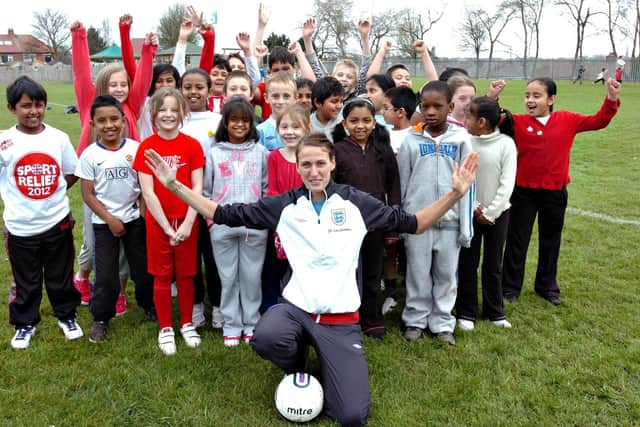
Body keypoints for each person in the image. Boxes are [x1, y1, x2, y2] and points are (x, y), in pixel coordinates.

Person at [143, 133, 478, 427]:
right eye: (306, 165)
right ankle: (296, 361)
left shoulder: (356, 203)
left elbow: (415, 223)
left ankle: (329, 360)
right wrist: (174, 185)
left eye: (320, 163)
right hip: (296, 310)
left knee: (351, 416)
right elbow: (224, 213)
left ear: (332, 163)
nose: (313, 171)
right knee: (265, 337)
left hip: (340, 319)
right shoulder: (285, 205)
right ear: (298, 167)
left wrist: (455, 194)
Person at [492, 77, 621, 305]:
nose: (530, 100)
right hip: (523, 192)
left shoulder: (567, 120)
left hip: (554, 192)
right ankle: (510, 288)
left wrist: (611, 98)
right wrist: (493, 96)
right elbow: (489, 117)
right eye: (527, 95)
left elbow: (598, 121)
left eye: (536, 95)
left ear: (551, 99)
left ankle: (547, 286)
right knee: (516, 241)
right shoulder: (517, 122)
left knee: (551, 241)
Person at [70, 18, 157, 312]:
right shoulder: (89, 105)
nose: (119, 89)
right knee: (94, 243)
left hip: (127, 186)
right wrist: (79, 35)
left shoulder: (129, 107)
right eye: (113, 84)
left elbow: (144, 80)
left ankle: (118, 291)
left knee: (125, 242)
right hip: (96, 186)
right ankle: (84, 277)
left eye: (124, 84)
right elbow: (82, 75)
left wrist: (147, 50)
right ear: (102, 86)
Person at [3, 76, 82, 349]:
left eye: (39, 105)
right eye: (26, 106)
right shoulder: (5, 142)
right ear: (12, 108)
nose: (33, 111)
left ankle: (67, 316)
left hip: (56, 221)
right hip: (20, 226)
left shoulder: (58, 138)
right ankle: (25, 323)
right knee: (27, 279)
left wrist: (54, 192)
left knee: (60, 275)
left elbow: (72, 172)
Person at [398, 80, 474, 345]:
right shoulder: (411, 140)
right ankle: (415, 320)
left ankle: (442, 323)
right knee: (417, 274)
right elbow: (402, 183)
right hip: (418, 223)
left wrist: (466, 226)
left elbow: (468, 186)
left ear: (450, 107)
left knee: (446, 276)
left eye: (437, 106)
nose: (430, 112)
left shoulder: (462, 139)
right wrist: (404, 222)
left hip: (451, 224)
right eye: (425, 106)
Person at [75, 96, 155, 342]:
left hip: (134, 220)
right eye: (102, 121)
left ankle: (149, 306)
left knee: (142, 270)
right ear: (93, 125)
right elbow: (88, 195)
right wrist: (110, 219)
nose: (109, 125)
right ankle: (101, 318)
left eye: (113, 119)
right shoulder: (89, 155)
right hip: (104, 224)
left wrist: (141, 212)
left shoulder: (135, 149)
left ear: (123, 120)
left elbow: (144, 186)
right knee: (106, 275)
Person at [132, 87, 204, 355]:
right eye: (163, 110)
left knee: (186, 275)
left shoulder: (192, 145)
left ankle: (186, 323)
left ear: (183, 112)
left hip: (187, 220)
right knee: (161, 275)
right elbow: (148, 192)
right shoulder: (147, 148)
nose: (169, 115)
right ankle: (165, 327)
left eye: (174, 110)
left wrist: (186, 224)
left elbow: (197, 188)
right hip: (158, 223)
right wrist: (165, 226)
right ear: (154, 113)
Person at [332, 98, 400, 340]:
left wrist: (392, 225)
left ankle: (372, 320)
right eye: (354, 121)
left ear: (374, 122)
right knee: (347, 273)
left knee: (373, 273)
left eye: (366, 121)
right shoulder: (337, 151)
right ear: (344, 123)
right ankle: (346, 320)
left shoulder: (383, 150)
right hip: (344, 225)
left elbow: (393, 187)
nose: (360, 126)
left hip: (376, 222)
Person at [203, 98, 269, 346]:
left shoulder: (261, 152)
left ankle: (251, 323)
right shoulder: (214, 152)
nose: (239, 125)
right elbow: (206, 192)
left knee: (252, 277)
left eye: (245, 120)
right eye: (234, 120)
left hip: (254, 226)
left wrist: (262, 218)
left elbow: (265, 188)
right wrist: (211, 221)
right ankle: (231, 324)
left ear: (252, 123)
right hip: (221, 226)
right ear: (226, 123)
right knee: (228, 277)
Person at [455, 96, 516, 331]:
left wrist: (491, 212)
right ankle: (466, 312)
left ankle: (495, 311)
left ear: (482, 121)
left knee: (493, 264)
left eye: (469, 116)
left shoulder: (506, 144)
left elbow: (507, 182)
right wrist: (474, 206)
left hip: (498, 216)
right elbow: (462, 176)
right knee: (468, 263)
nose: (465, 119)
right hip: (470, 213)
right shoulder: (466, 141)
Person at [180, 68, 223, 329]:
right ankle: (195, 305)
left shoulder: (217, 120)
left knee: (214, 256)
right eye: (188, 87)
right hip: (184, 201)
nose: (193, 92)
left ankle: (218, 305)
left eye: (199, 87)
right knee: (190, 257)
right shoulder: (176, 120)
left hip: (211, 201)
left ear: (209, 90)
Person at [380, 86, 418, 314]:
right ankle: (391, 293)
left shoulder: (415, 136)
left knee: (410, 250)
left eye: (386, 108)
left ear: (401, 111)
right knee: (390, 248)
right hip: (387, 200)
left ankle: (412, 293)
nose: (382, 112)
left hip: (411, 202)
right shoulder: (383, 134)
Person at [257, 72, 297, 151]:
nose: (281, 101)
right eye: (275, 96)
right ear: (266, 98)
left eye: (286, 96)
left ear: (295, 98)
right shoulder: (260, 130)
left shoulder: (302, 128)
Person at [310, 76, 344, 142]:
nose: (339, 106)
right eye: (334, 101)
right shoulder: (307, 124)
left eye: (341, 101)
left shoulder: (344, 122)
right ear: (318, 102)